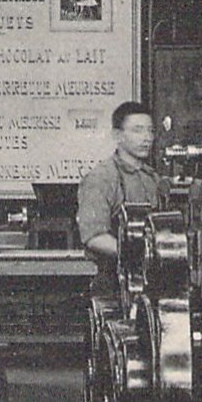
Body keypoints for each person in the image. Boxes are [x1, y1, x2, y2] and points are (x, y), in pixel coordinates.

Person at [76, 101, 168, 296]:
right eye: (137, 131)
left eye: (150, 131)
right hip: (112, 284)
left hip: (148, 280)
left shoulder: (152, 179)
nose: (147, 138)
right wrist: (139, 253)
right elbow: (94, 237)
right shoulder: (101, 178)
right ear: (117, 136)